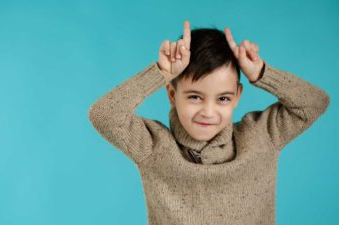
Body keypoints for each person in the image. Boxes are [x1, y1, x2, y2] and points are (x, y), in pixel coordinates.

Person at [88, 20, 330, 225]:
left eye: (223, 98)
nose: (208, 112)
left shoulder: (261, 136)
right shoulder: (154, 147)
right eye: (195, 97)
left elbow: (315, 103)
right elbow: (105, 115)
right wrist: (161, 71)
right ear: (172, 95)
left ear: (237, 97)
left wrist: (263, 73)